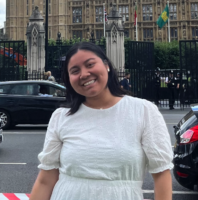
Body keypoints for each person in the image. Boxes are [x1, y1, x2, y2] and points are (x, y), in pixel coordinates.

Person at [30, 42, 173, 200]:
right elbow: (46, 180)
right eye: (75, 71)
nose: (84, 74)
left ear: (107, 66)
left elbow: (161, 174)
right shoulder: (61, 117)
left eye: (90, 64)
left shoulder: (143, 111)